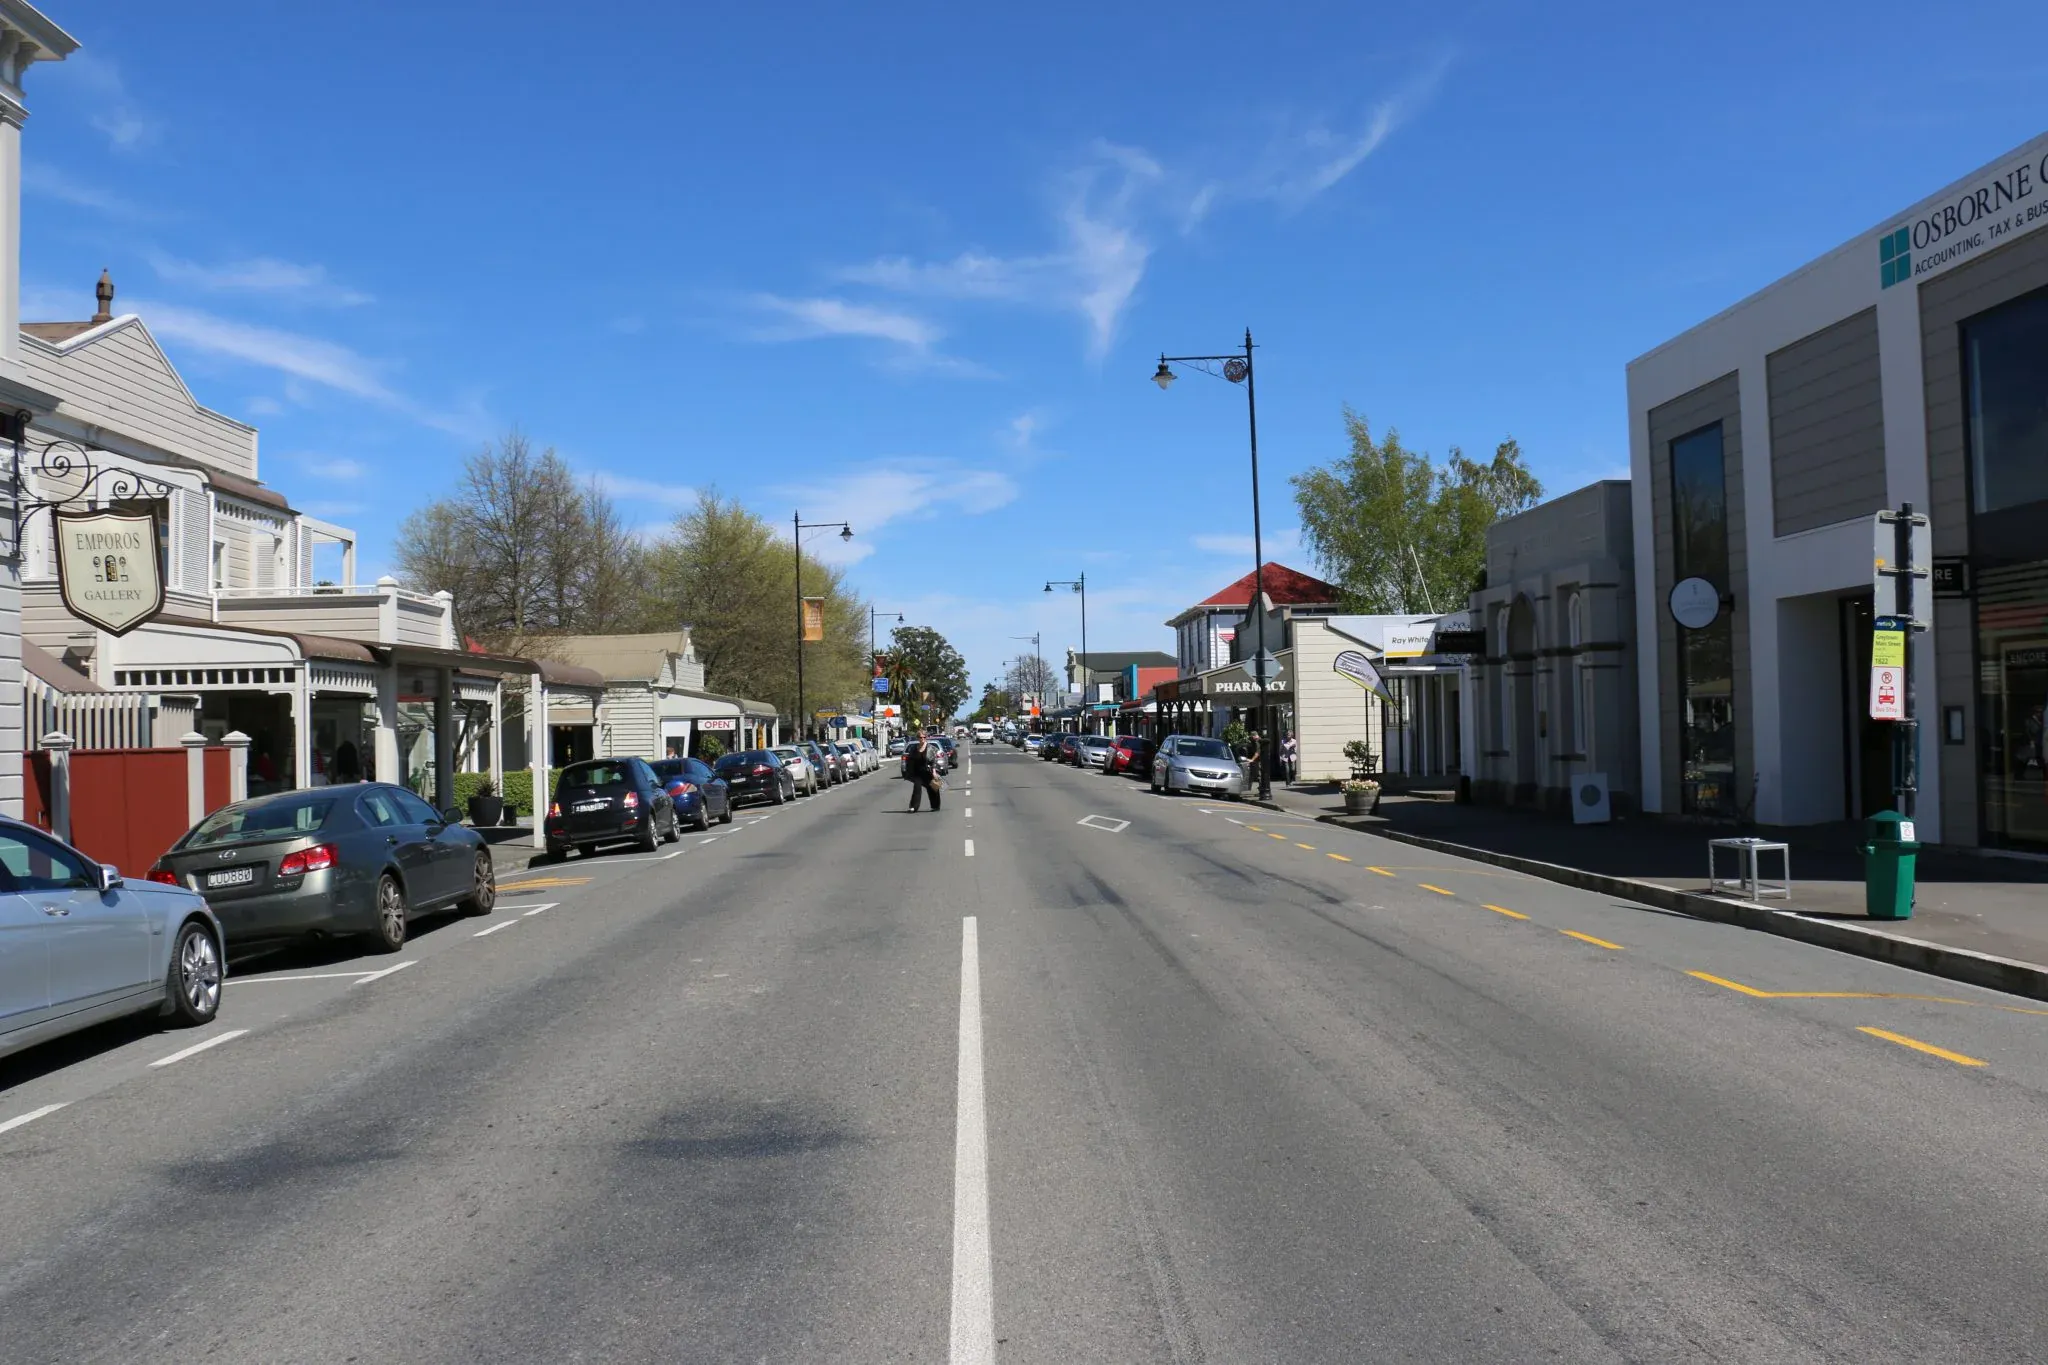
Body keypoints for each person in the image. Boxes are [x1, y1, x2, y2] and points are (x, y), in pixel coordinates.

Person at [904, 735, 943, 812]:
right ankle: (913, 807)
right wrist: (908, 771)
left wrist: (934, 772)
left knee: (932, 788)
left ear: (926, 738)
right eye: (920, 737)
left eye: (924, 737)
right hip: (917, 772)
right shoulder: (914, 748)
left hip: (928, 771)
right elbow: (910, 760)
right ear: (918, 738)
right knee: (917, 788)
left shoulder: (930, 748)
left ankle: (935, 806)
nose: (922, 739)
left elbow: (934, 761)